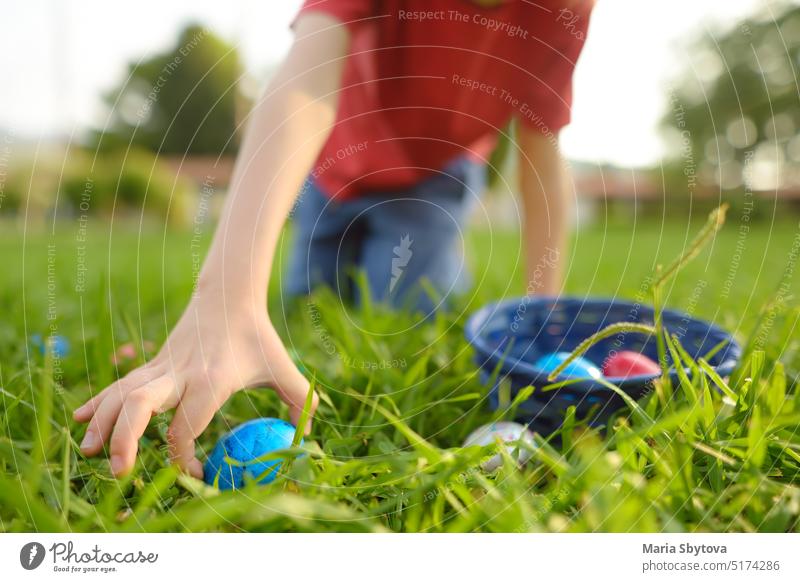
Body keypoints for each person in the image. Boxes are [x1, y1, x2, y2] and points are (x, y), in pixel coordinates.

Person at [73, 0, 593, 478]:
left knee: (408, 308)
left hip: (434, 173)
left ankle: (435, 262)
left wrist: (541, 313)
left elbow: (540, 142)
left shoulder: (565, 9)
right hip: (330, 161)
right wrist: (226, 299)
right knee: (306, 302)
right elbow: (307, 78)